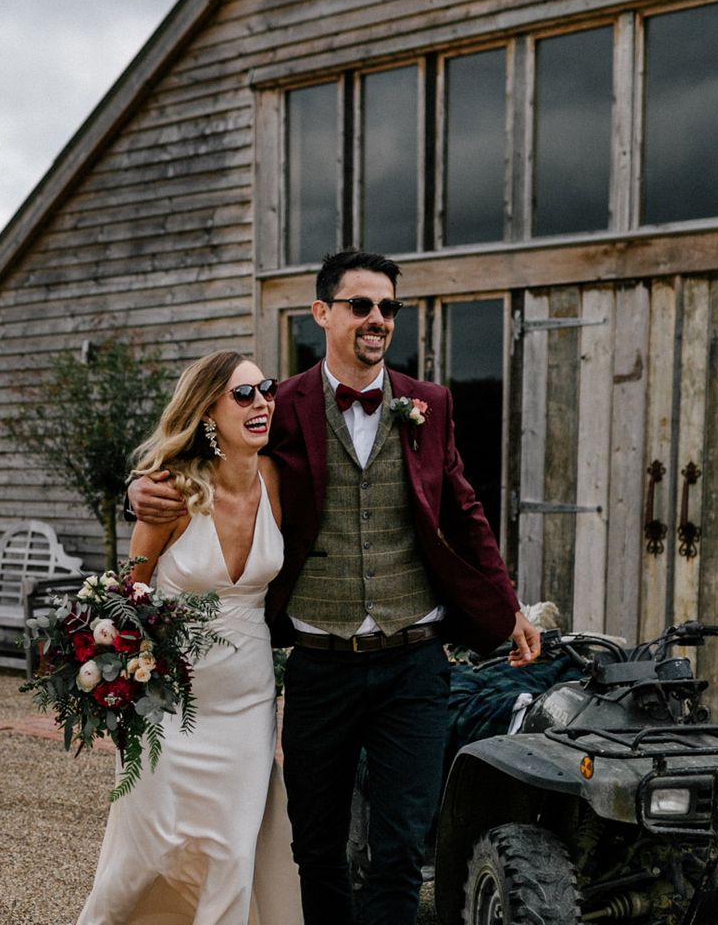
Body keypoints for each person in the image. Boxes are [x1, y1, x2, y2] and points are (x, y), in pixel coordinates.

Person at [129, 251, 541, 925]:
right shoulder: (278, 404)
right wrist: (138, 491)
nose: (378, 319)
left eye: (388, 307)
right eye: (361, 305)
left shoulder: (430, 404)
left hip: (415, 659)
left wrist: (508, 605)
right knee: (316, 847)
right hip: (320, 665)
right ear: (322, 313)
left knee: (400, 848)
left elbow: (465, 512)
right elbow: (207, 455)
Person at [79, 350, 303, 925]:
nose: (261, 402)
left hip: (248, 704)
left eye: (267, 389)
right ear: (207, 412)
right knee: (149, 854)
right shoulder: (170, 493)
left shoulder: (278, 480)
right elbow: (127, 599)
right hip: (169, 710)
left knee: (232, 855)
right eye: (243, 394)